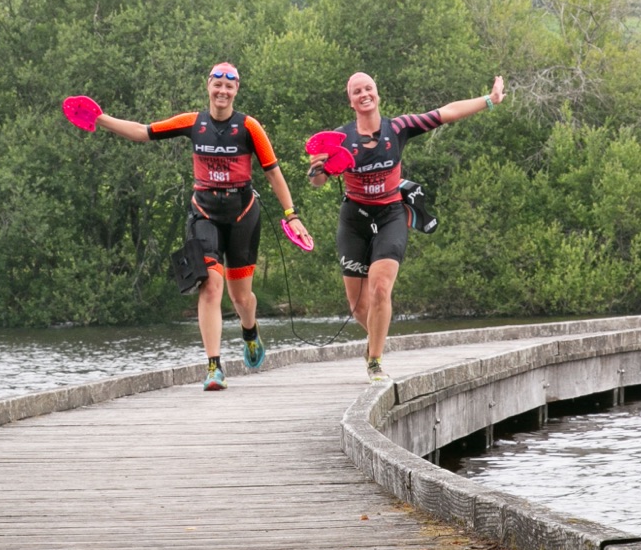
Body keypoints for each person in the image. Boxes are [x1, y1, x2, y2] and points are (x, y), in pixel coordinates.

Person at [88, 63, 310, 391]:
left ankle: (250, 332)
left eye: (229, 86)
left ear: (236, 91)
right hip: (203, 213)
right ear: (208, 86)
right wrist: (99, 118)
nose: (222, 91)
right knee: (209, 286)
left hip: (242, 216)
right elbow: (142, 132)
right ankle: (213, 367)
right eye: (217, 84)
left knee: (241, 297)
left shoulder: (249, 128)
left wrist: (292, 215)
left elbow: (273, 173)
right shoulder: (193, 123)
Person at [310, 72, 506, 383]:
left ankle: (374, 362)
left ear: (377, 94)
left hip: (390, 214)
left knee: (380, 289)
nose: (364, 94)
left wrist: (489, 100)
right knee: (358, 306)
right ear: (351, 101)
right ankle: (375, 340)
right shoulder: (340, 138)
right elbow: (319, 182)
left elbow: (446, 112)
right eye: (356, 91)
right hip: (354, 219)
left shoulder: (398, 128)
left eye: (368, 88)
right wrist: (317, 170)